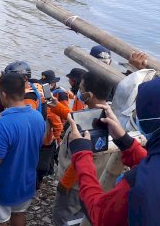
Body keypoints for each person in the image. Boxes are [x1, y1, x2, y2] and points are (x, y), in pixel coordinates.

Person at [67, 76, 160, 226]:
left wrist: (81, 154)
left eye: (138, 113)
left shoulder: (140, 183)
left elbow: (99, 213)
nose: (136, 117)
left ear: (154, 121)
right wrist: (125, 141)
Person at [0, 73, 45, 226]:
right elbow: (27, 140)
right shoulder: (37, 117)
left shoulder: (2, 126)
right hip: (26, 181)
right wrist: (0, 116)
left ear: (3, 94)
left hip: (4, 186)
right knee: (19, 213)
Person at [52, 71, 113, 226]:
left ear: (89, 95)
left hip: (74, 185)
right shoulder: (110, 115)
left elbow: (81, 157)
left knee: (63, 217)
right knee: (84, 217)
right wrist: (58, 106)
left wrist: (65, 183)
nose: (78, 91)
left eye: (81, 88)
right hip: (96, 180)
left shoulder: (85, 125)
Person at [3, 61, 63, 189]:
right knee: (41, 166)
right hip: (46, 135)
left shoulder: (27, 98)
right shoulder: (37, 85)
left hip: (37, 139)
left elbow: (22, 123)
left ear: (24, 78)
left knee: (33, 168)